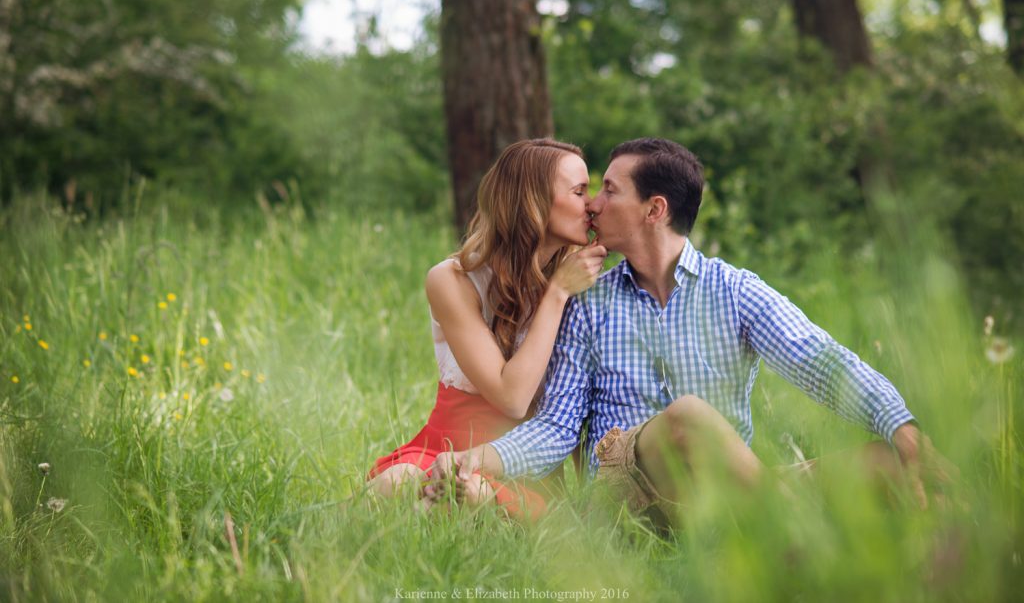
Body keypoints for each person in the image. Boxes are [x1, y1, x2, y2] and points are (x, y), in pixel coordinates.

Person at [428, 137, 947, 523]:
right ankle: (788, 530)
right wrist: (474, 460)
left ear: (655, 210)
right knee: (690, 416)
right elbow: (556, 428)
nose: (594, 204)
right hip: (623, 494)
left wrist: (905, 429)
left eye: (608, 190)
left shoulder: (735, 291)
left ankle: (769, 515)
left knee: (894, 461)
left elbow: (823, 362)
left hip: (723, 488)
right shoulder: (587, 305)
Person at [366, 138, 608, 519]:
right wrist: (558, 291)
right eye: (579, 192)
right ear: (535, 201)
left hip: (520, 466)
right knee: (396, 481)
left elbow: (528, 408)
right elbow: (508, 394)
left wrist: (559, 289)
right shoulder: (453, 280)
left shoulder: (576, 283)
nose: (592, 205)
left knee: (465, 494)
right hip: (443, 447)